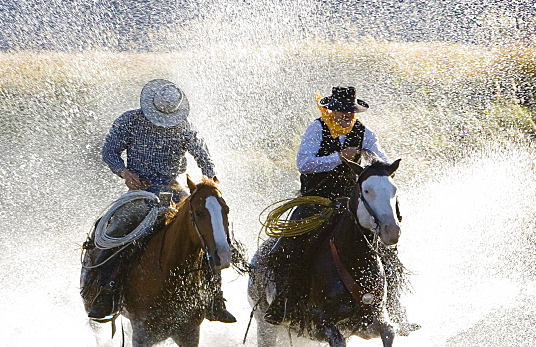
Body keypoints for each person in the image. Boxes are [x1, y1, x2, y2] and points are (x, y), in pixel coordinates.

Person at [84, 78, 236, 323]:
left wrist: (210, 180)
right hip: (140, 193)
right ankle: (106, 290)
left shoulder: (184, 126)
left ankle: (214, 297)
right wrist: (123, 172)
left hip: (175, 190)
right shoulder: (129, 121)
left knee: (208, 229)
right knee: (117, 230)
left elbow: (204, 157)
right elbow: (109, 151)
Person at [263, 86, 413, 330]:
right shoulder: (317, 129)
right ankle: (283, 301)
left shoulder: (364, 133)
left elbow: (382, 160)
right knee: (292, 245)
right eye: (341, 111)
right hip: (315, 199)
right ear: (331, 110)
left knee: (386, 246)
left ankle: (394, 309)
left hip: (352, 201)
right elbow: (304, 163)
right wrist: (339, 156)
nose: (346, 116)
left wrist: (372, 159)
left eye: (349, 112)